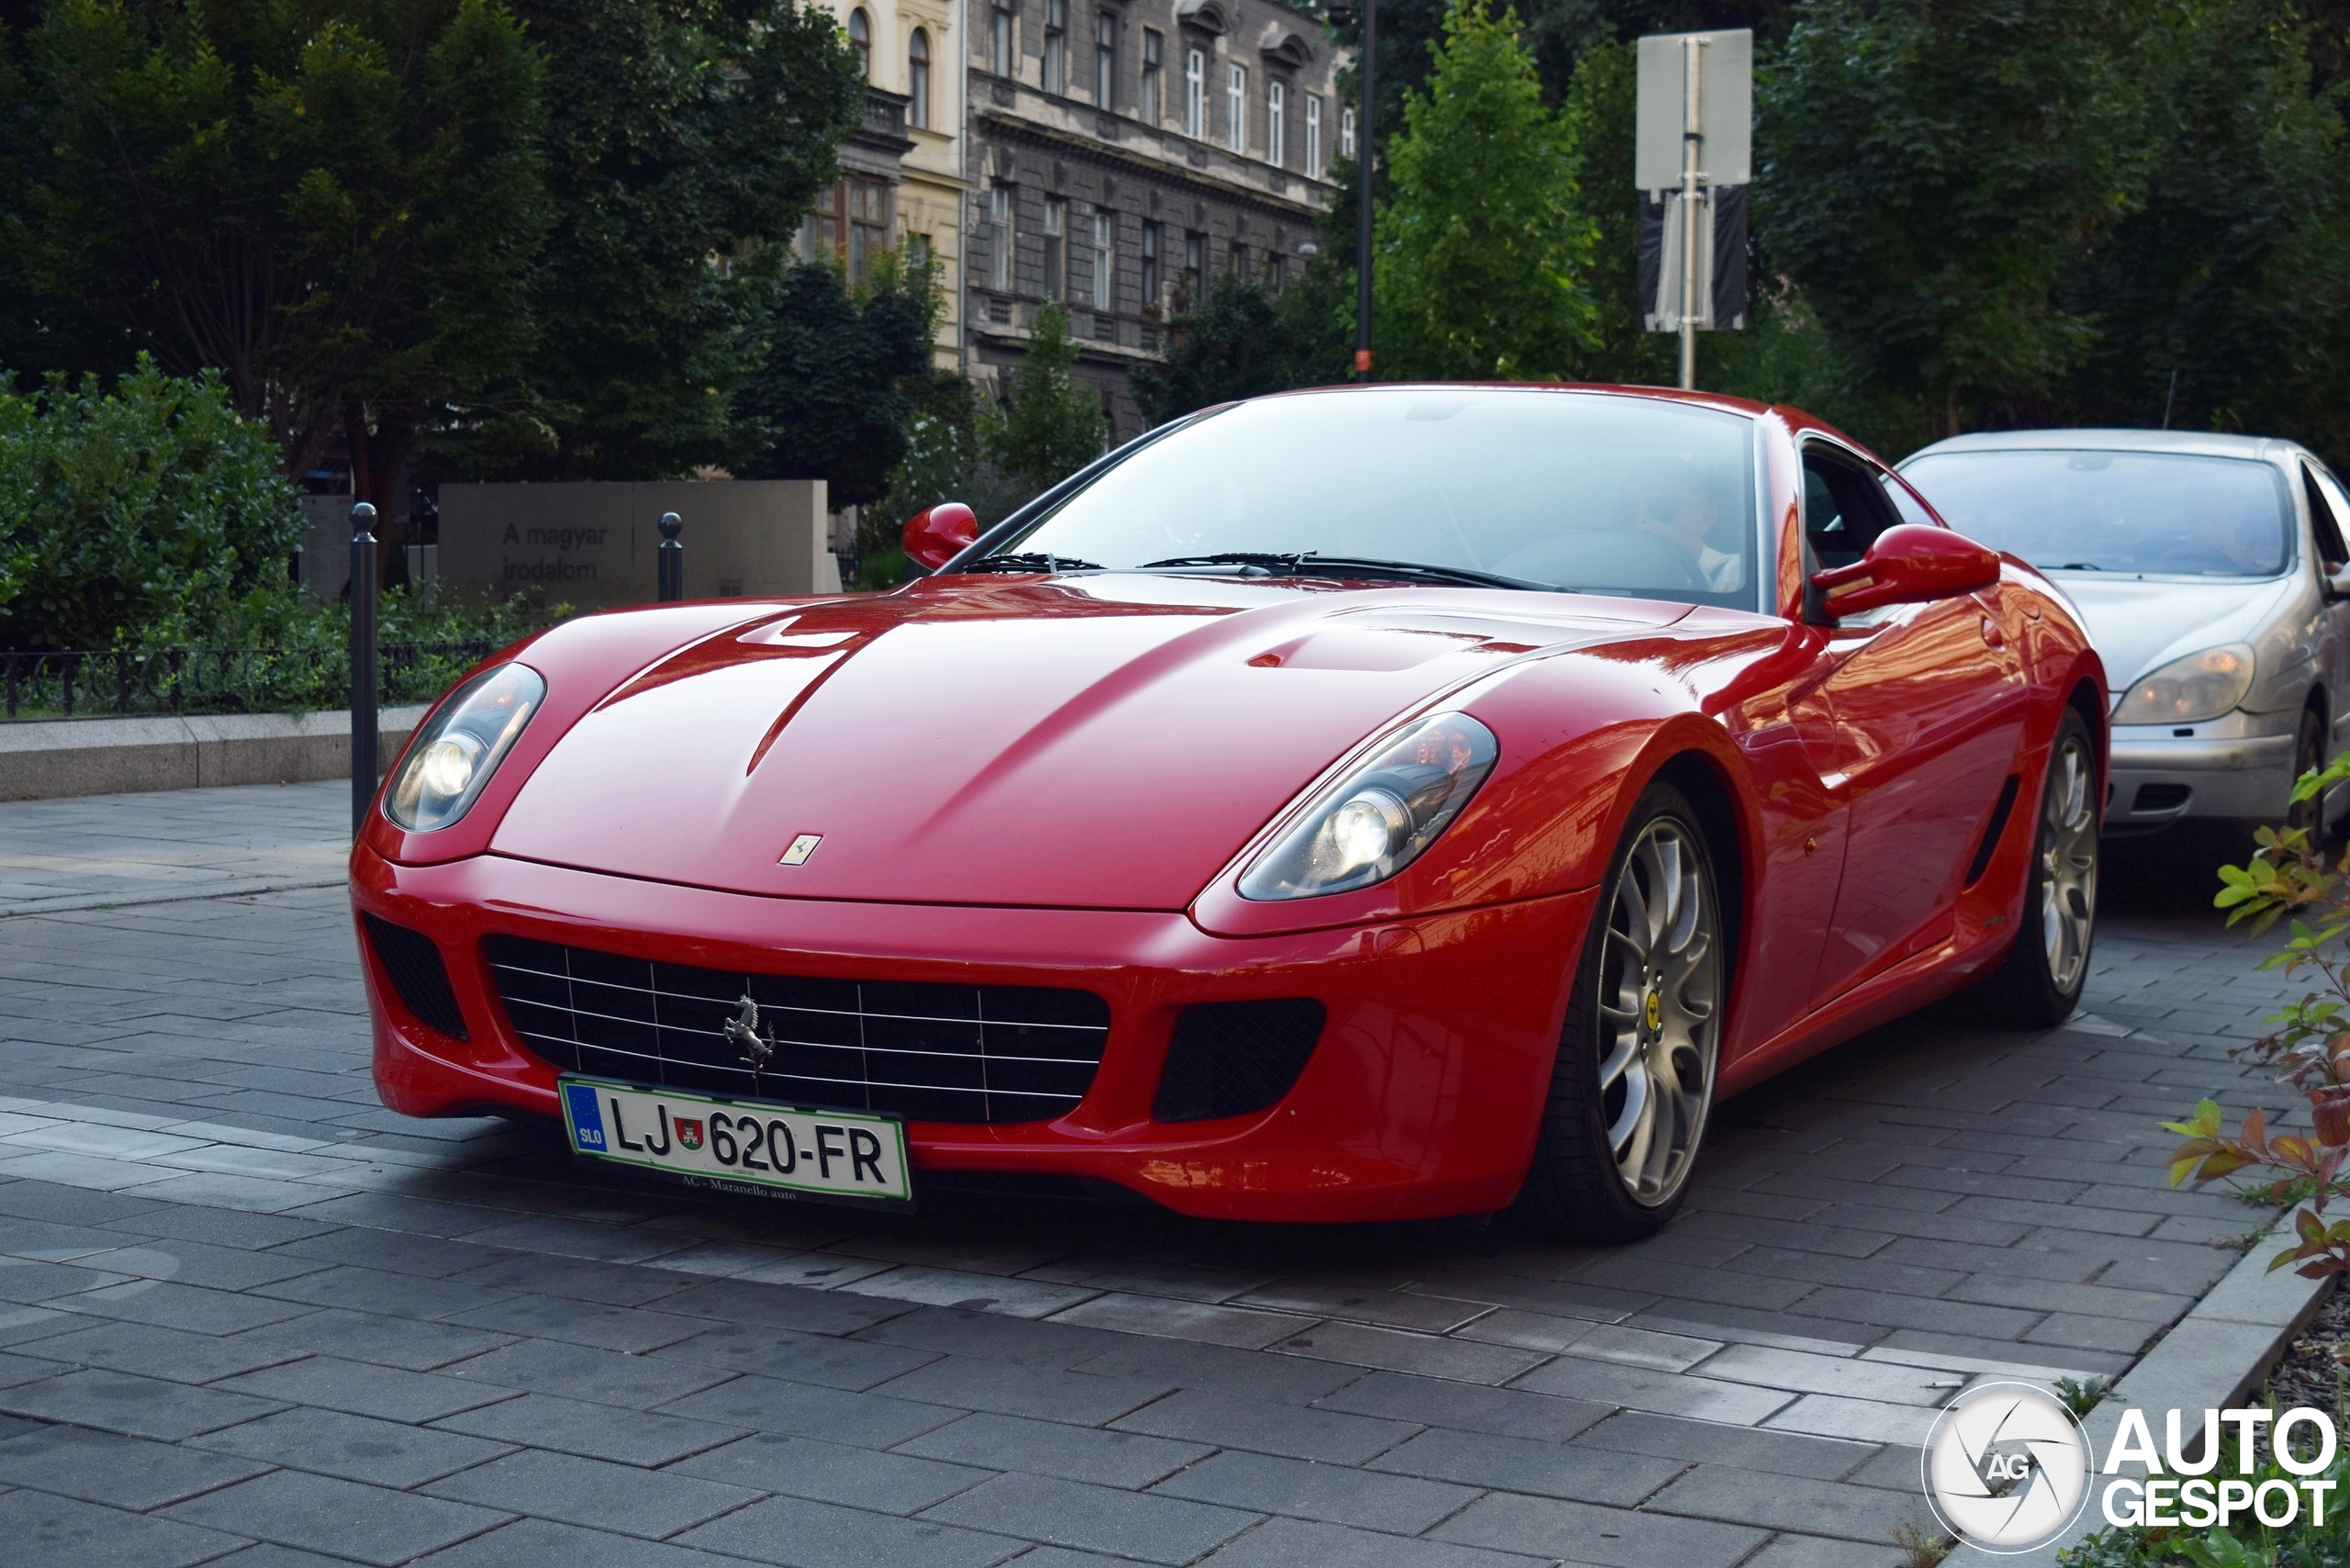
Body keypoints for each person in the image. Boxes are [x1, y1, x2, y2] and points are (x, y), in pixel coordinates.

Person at [1631, 461, 1742, 590]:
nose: (1638, 524)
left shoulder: (1735, 573)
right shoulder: (1609, 575)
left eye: (1661, 508)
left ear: (1704, 518)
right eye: (1628, 511)